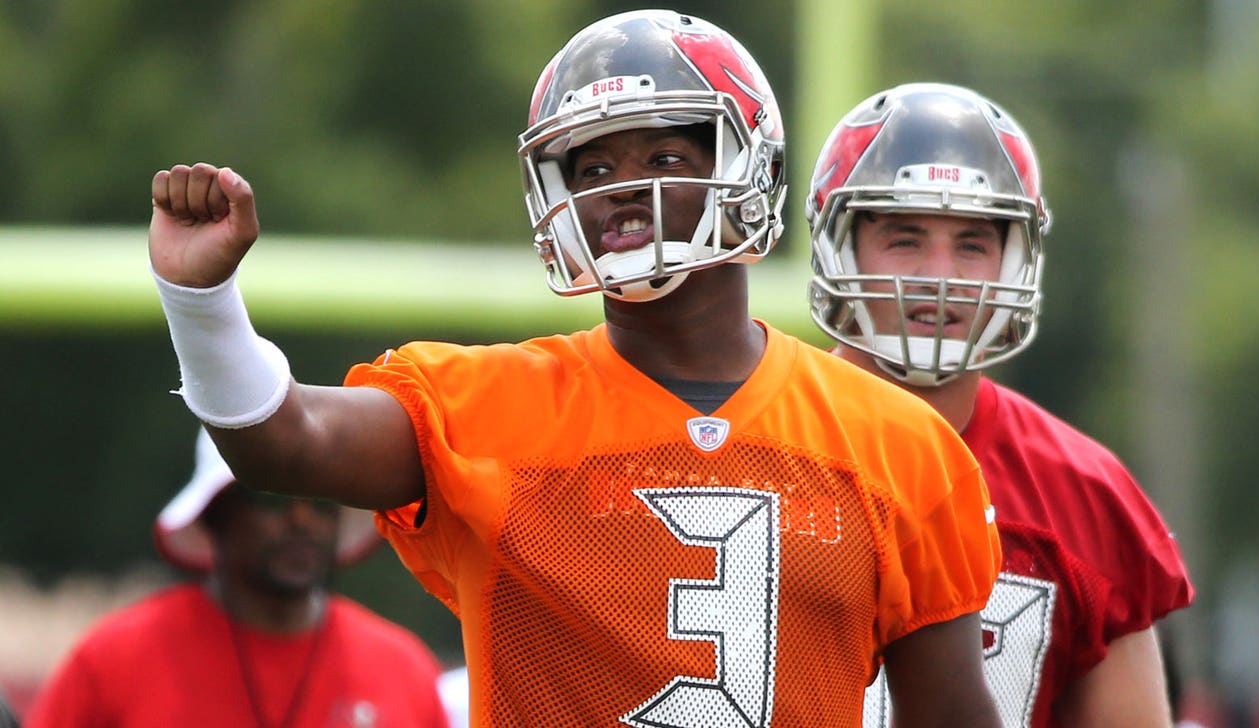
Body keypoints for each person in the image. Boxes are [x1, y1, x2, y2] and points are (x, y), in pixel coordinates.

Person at [146, 10, 1005, 726]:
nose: (621, 190)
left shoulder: (900, 443)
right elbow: (281, 444)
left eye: (664, 159)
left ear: (746, 172)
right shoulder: (488, 403)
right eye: (593, 168)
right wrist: (202, 302)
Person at [804, 82, 1196, 727]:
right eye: (904, 239)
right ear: (838, 247)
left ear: (1017, 263)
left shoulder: (1084, 493)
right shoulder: (748, 439)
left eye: (973, 244)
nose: (940, 274)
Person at [24, 429, 452, 728]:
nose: (302, 520)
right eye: (273, 499)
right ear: (215, 513)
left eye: (322, 502)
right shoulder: (112, 660)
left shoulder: (403, 667)